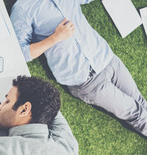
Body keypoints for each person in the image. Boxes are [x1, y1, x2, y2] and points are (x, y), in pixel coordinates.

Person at [10, 0, 147, 137]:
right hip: (87, 81)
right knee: (136, 114)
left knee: (141, 103)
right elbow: (20, 53)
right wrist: (56, 37)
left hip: (106, 58)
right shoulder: (23, 8)